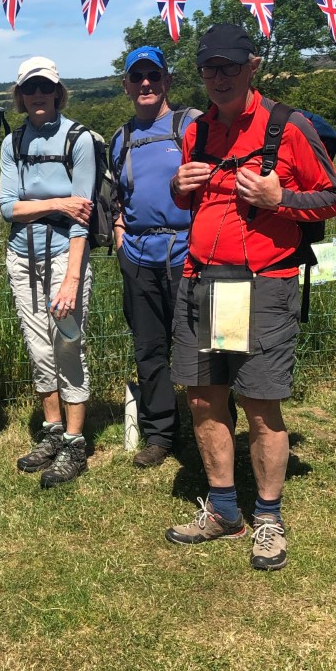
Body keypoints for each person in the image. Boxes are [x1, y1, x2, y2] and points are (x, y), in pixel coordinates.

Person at [165, 22, 336, 570]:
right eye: (209, 68)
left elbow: (335, 197)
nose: (218, 77)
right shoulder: (196, 132)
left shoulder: (286, 127)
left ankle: (268, 517)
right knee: (204, 395)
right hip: (204, 279)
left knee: (260, 403)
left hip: (262, 282)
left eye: (229, 66)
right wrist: (179, 189)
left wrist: (280, 196)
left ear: (252, 66)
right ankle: (224, 508)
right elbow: (191, 205)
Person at [0, 56, 95, 488]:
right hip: (22, 257)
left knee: (67, 343)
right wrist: (58, 203)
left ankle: (75, 441)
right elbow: (7, 208)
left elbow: (84, 216)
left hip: (64, 259)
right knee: (39, 348)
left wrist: (73, 278)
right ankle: (52, 431)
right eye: (30, 89)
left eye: (45, 87)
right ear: (21, 96)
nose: (38, 95)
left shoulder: (79, 139)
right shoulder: (13, 142)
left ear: (58, 91)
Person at [110, 45, 199, 468]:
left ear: (167, 81)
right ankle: (161, 435)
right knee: (149, 348)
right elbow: (116, 196)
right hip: (139, 257)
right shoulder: (121, 137)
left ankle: (209, 431)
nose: (146, 83)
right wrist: (118, 229)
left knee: (200, 349)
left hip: (188, 254)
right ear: (127, 86)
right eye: (137, 77)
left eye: (153, 76)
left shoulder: (192, 125)